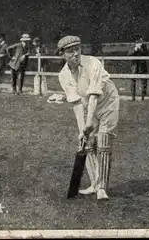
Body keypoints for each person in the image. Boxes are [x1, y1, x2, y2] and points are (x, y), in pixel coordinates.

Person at [57, 35, 120, 200]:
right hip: (88, 105)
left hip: (107, 103)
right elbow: (77, 104)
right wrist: (83, 129)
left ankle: (102, 189)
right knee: (88, 141)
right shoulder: (63, 75)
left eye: (77, 49)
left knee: (103, 140)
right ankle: (94, 184)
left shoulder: (93, 63)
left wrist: (89, 122)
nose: (75, 54)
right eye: (70, 52)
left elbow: (94, 95)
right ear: (62, 55)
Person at [127, 35, 149, 101]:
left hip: (142, 67)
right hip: (134, 66)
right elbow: (129, 54)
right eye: (139, 41)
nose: (140, 42)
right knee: (133, 81)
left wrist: (141, 49)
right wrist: (135, 49)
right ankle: (133, 96)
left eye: (141, 41)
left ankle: (143, 97)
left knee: (144, 81)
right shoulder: (132, 46)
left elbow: (147, 54)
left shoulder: (144, 46)